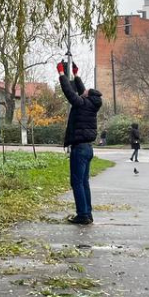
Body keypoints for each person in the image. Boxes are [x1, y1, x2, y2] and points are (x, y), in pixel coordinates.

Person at [58, 61, 102, 225]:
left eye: (86, 92)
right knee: (83, 182)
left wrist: (62, 74)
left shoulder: (82, 104)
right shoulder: (90, 104)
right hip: (88, 149)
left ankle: (83, 214)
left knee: (76, 182)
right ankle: (87, 213)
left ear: (88, 96)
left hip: (80, 149)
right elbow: (82, 90)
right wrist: (76, 75)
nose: (83, 92)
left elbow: (69, 93)